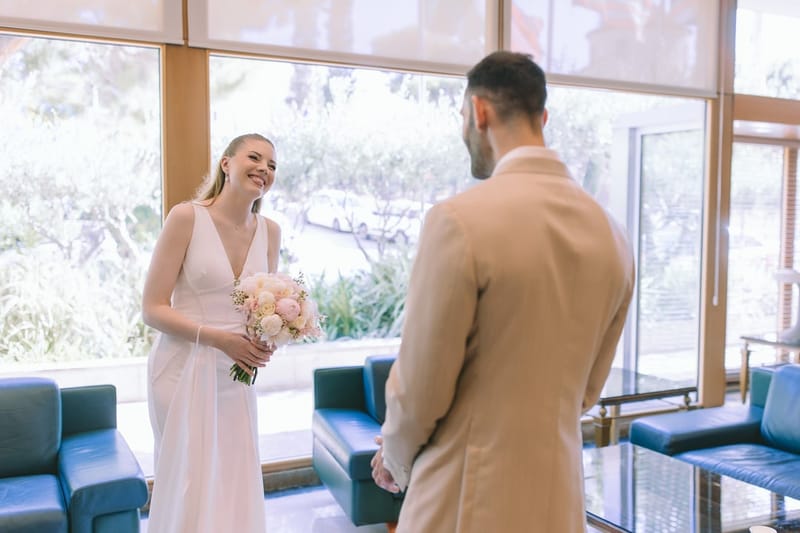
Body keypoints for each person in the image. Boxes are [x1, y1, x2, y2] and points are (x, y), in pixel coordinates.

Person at [370, 51, 635, 532]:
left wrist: (394, 454)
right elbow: (587, 392)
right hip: (558, 499)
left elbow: (421, 388)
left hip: (466, 497)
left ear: (479, 111)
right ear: (543, 117)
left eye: (461, 118)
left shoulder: (459, 221)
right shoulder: (613, 236)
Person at [143, 133, 281, 532]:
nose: (264, 169)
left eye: (272, 165)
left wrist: (269, 336)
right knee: (189, 481)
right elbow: (152, 308)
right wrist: (219, 339)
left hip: (235, 375)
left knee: (232, 477)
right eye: (254, 157)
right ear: (226, 164)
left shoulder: (270, 231)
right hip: (181, 368)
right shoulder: (186, 217)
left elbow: (263, 304)